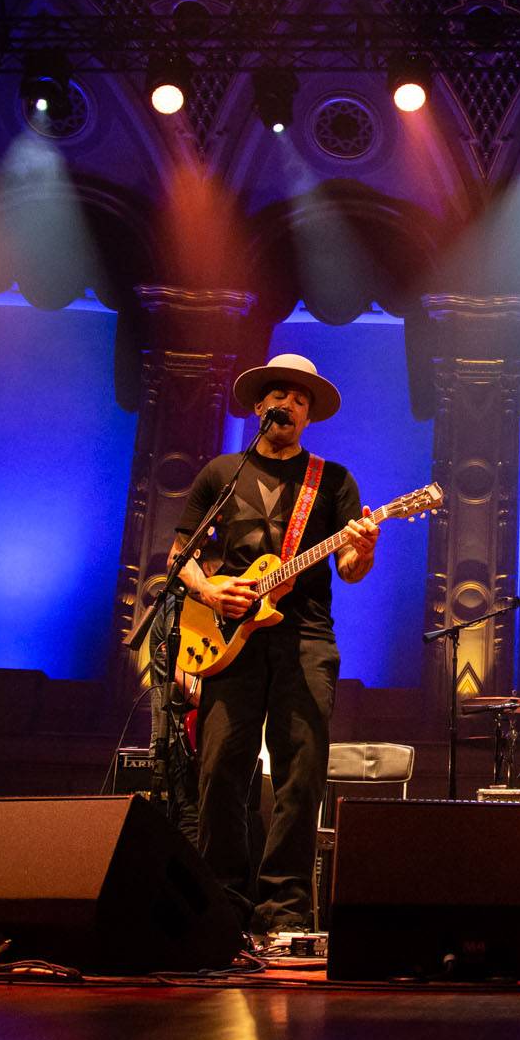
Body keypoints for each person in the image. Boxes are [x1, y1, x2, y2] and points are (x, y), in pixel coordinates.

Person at [169, 352, 380, 935]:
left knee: (301, 772)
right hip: (227, 637)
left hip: (305, 636)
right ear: (260, 405)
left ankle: (284, 908)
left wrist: (364, 547)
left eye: (300, 397)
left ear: (309, 413)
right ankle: (221, 905)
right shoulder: (221, 474)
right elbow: (179, 556)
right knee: (220, 771)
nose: (288, 403)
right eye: (279, 394)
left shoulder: (332, 480)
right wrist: (211, 593)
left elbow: (350, 569)